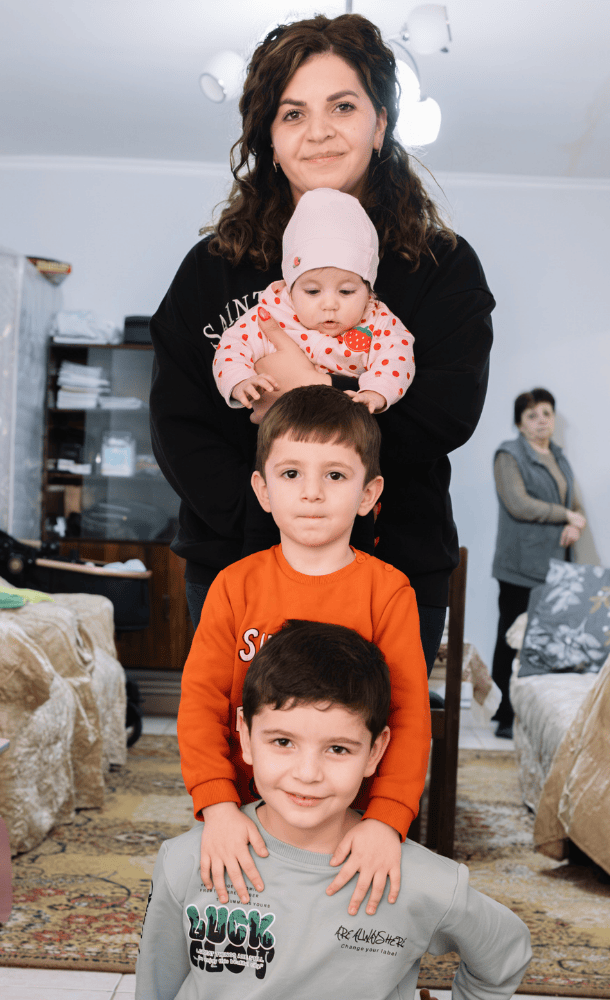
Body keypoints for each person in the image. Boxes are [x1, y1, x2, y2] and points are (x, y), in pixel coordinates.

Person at [149, 13, 495, 673]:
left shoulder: (442, 266)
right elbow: (177, 422)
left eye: (343, 106)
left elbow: (444, 413)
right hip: (234, 563)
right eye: (292, 114)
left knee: (373, 763)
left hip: (393, 566)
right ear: (268, 137)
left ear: (382, 123)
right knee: (244, 760)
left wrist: (308, 390)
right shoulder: (213, 268)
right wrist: (261, 523)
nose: (318, 133)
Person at [136, 619, 532, 1000]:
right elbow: (157, 986)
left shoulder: (422, 881)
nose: (308, 774)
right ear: (246, 735)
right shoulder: (186, 862)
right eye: (282, 742)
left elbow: (505, 953)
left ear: (375, 752)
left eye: (338, 748)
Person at [178, 385, 430, 920]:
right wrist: (219, 807)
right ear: (263, 489)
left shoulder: (387, 593)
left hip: (350, 821)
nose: (312, 493)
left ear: (368, 493)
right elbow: (199, 705)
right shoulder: (233, 587)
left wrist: (385, 821)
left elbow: (408, 719)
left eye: (335, 475)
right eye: (291, 474)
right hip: (247, 815)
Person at [214, 187, 414, 419]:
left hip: (346, 431)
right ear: (290, 289)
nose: (329, 304)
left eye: (347, 291)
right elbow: (232, 346)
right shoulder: (274, 313)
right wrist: (239, 380)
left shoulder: (378, 320)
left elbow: (397, 357)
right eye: (312, 291)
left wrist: (376, 392)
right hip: (282, 430)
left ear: (369, 291)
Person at [490, 387, 587, 738]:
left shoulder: (558, 455)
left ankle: (533, 714)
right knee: (511, 637)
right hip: (519, 565)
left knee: (544, 640)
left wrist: (574, 523)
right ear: (520, 422)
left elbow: (572, 503)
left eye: (546, 413)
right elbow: (519, 503)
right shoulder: (509, 454)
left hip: (555, 565)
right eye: (532, 415)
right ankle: (503, 713)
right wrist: (565, 515)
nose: (541, 420)